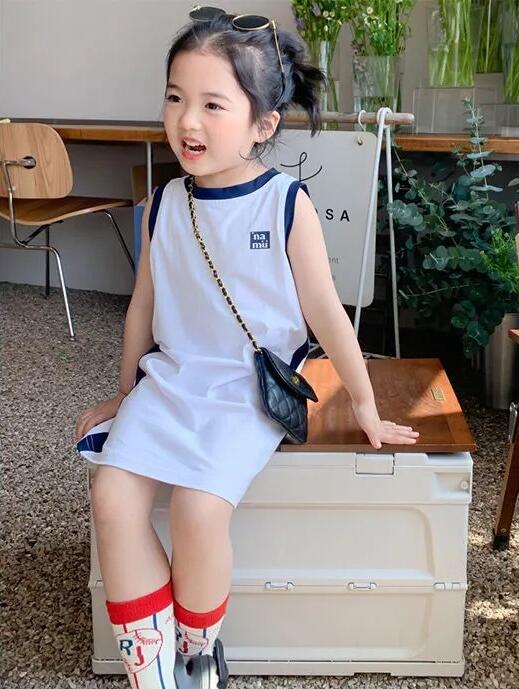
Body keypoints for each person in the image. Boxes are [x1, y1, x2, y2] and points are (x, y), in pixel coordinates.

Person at [74, 7, 419, 688]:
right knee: (112, 496)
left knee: (199, 507)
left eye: (212, 104)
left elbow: (327, 315)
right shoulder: (164, 202)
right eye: (175, 98)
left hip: (244, 392)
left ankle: (199, 654)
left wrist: (365, 405)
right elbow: (144, 305)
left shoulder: (285, 203)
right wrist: (123, 393)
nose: (187, 121)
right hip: (170, 382)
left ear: (263, 125)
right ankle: (155, 674)